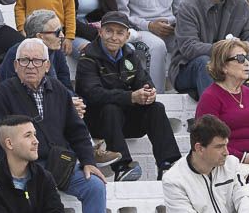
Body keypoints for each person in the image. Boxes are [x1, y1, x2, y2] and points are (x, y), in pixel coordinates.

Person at [0, 39, 108, 213]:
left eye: (37, 60)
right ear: (15, 65)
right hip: (25, 166)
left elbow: (76, 130)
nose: (30, 66)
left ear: (47, 65)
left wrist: (88, 161)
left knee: (94, 185)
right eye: (24, 61)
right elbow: (0, 138)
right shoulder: (4, 92)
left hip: (59, 164)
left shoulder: (59, 89)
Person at [75, 11, 180, 182]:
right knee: (110, 108)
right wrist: (130, 97)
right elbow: (93, 94)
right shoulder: (88, 57)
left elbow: (145, 81)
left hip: (126, 121)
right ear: (100, 32)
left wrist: (149, 93)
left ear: (126, 36)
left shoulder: (130, 55)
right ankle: (122, 167)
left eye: (119, 32)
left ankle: (168, 164)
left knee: (156, 108)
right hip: (97, 122)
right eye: (109, 31)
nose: (114, 37)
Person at [192, 39, 249, 167]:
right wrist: (244, 157)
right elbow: (209, 140)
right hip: (229, 164)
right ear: (223, 66)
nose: (247, 63)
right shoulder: (210, 97)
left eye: (248, 58)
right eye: (240, 58)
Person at [0, 9, 73, 92]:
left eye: (62, 30)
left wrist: (70, 100)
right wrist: (65, 100)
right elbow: (12, 93)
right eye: (57, 32)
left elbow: (66, 86)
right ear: (40, 36)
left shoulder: (57, 51)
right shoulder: (17, 54)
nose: (62, 35)